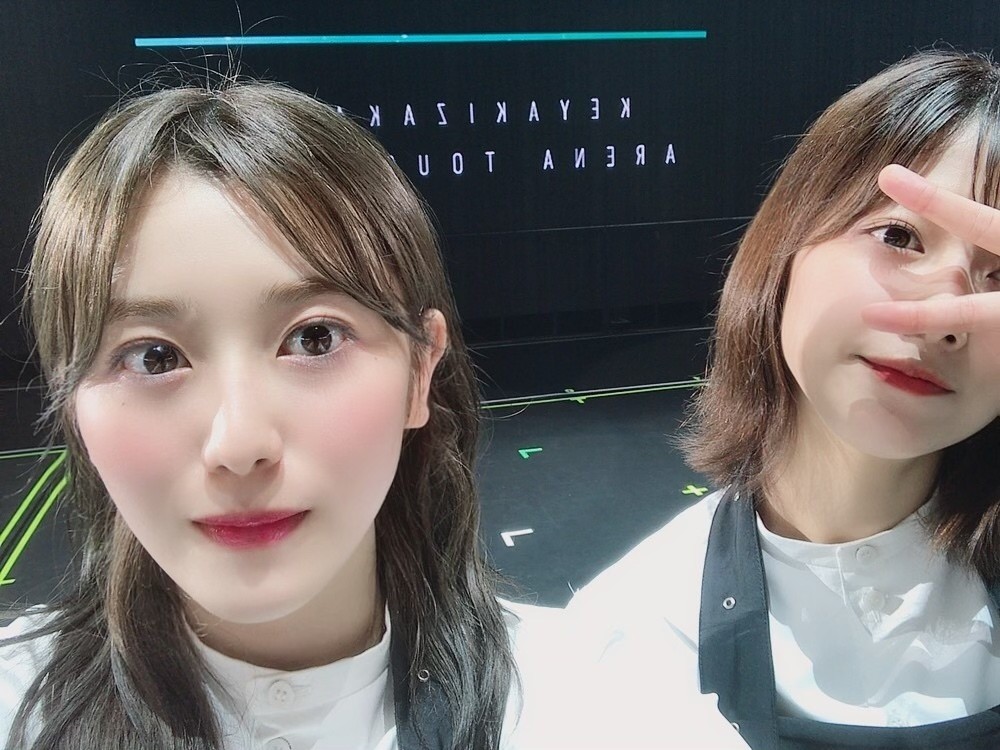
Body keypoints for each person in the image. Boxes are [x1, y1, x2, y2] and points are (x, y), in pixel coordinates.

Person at [0, 79, 569, 750]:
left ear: (421, 370)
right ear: (72, 403)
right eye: (154, 357)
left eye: (315, 338)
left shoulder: (584, 693)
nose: (239, 443)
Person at [569, 49, 1000, 749]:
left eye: (999, 276)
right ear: (786, 247)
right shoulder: (629, 637)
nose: (943, 316)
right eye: (898, 236)